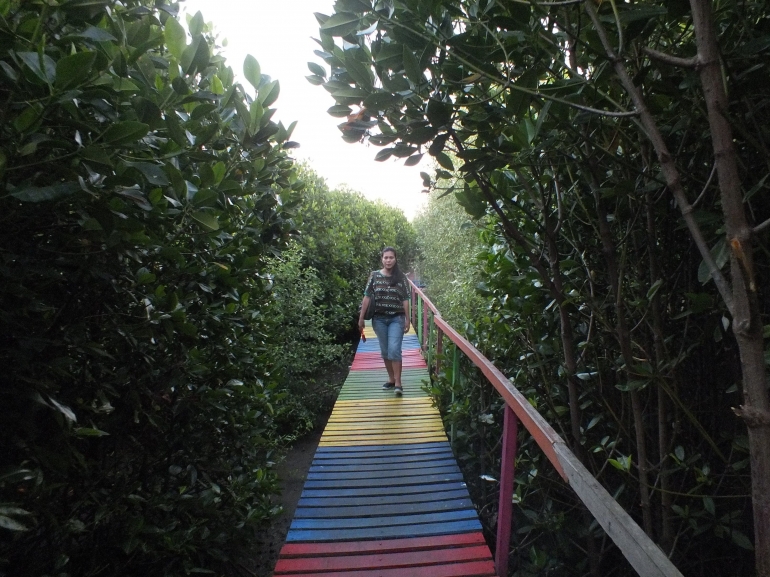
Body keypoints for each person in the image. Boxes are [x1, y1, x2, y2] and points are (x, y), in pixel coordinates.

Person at [358, 247, 411, 396]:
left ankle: (398, 382)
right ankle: (391, 379)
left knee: (394, 349)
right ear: (382, 259)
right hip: (379, 319)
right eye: (385, 257)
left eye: (391, 258)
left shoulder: (401, 277)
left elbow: (406, 299)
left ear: (395, 259)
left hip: (397, 318)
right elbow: (367, 296)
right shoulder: (374, 276)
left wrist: (408, 319)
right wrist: (361, 318)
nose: (388, 260)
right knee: (385, 350)